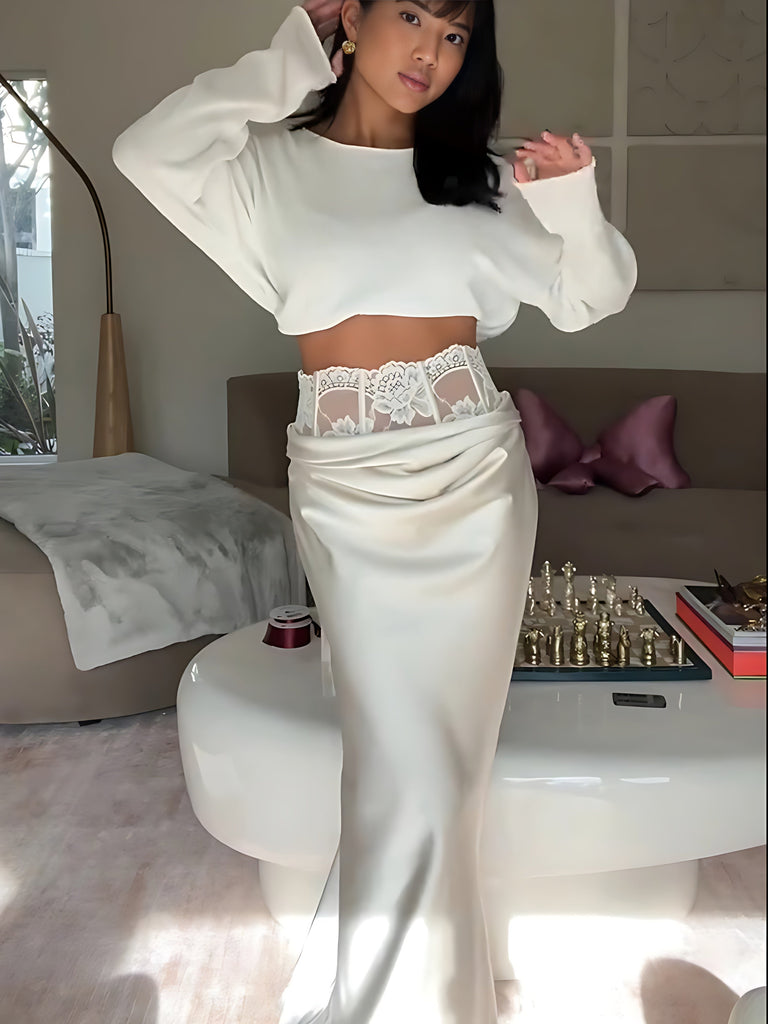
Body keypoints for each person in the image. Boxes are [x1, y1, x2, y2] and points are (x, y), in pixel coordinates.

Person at [112, 2, 638, 1020]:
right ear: (352, 17)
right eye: (413, 16)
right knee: (400, 765)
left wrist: (574, 201)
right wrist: (289, 54)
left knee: (438, 773)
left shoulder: (479, 184)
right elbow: (146, 150)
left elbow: (593, 296)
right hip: (347, 492)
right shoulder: (267, 170)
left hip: (473, 487)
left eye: (456, 36)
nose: (431, 52)